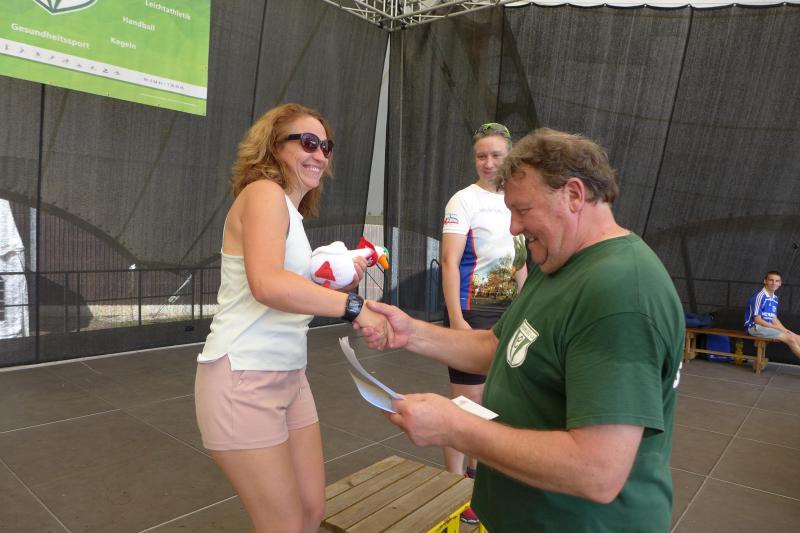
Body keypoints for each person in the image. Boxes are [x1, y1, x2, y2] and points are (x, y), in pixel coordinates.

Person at [357, 128, 684, 532]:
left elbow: (596, 470)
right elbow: (499, 346)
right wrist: (412, 333)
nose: (513, 227)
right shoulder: (557, 260)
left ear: (574, 195)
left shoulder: (620, 294)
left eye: (523, 210)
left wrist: (456, 428)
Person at [194, 103, 392, 533]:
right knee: (283, 525)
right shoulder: (263, 193)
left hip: (289, 375)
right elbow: (267, 283)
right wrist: (353, 307)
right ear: (273, 146)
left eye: (326, 146)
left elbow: (286, 286)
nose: (319, 154)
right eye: (307, 142)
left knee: (309, 511)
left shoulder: (291, 213)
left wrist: (333, 282)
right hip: (244, 378)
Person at [440, 122, 527, 523]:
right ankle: (451, 487)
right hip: (471, 311)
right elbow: (450, 262)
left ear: (509, 157)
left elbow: (520, 263)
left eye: (496, 155)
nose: (488, 163)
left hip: (508, 314)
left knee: (494, 402)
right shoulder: (463, 200)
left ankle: (476, 476)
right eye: (481, 156)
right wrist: (456, 320)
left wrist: (526, 307)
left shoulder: (516, 199)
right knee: (466, 404)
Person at [744, 271, 800, 357]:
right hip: (755, 327)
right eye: (771, 280)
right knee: (791, 339)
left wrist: (785, 330)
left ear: (780, 283)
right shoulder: (759, 297)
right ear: (765, 281)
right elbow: (758, 320)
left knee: (797, 337)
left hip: (768, 327)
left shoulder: (775, 298)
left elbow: (773, 318)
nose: (774, 283)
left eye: (777, 281)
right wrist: (778, 328)